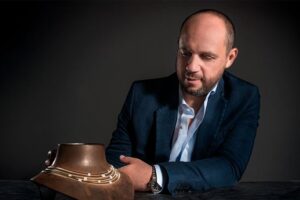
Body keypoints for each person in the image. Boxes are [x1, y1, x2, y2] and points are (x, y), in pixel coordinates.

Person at [105, 9, 260, 195]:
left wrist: (155, 176)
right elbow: (116, 164)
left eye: (206, 56)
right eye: (185, 52)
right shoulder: (141, 95)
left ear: (230, 58)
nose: (191, 67)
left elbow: (229, 167)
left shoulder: (244, 97)